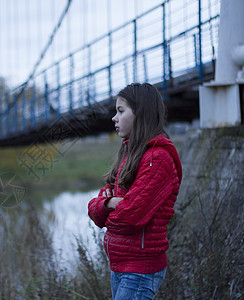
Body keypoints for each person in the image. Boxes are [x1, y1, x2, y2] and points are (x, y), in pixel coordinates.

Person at [88, 83, 182, 300]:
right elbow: (102, 201)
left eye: (121, 111)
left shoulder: (157, 158)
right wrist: (109, 203)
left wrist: (108, 209)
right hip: (122, 265)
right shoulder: (131, 152)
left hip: (140, 269)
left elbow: (130, 216)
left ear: (141, 114)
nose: (114, 117)